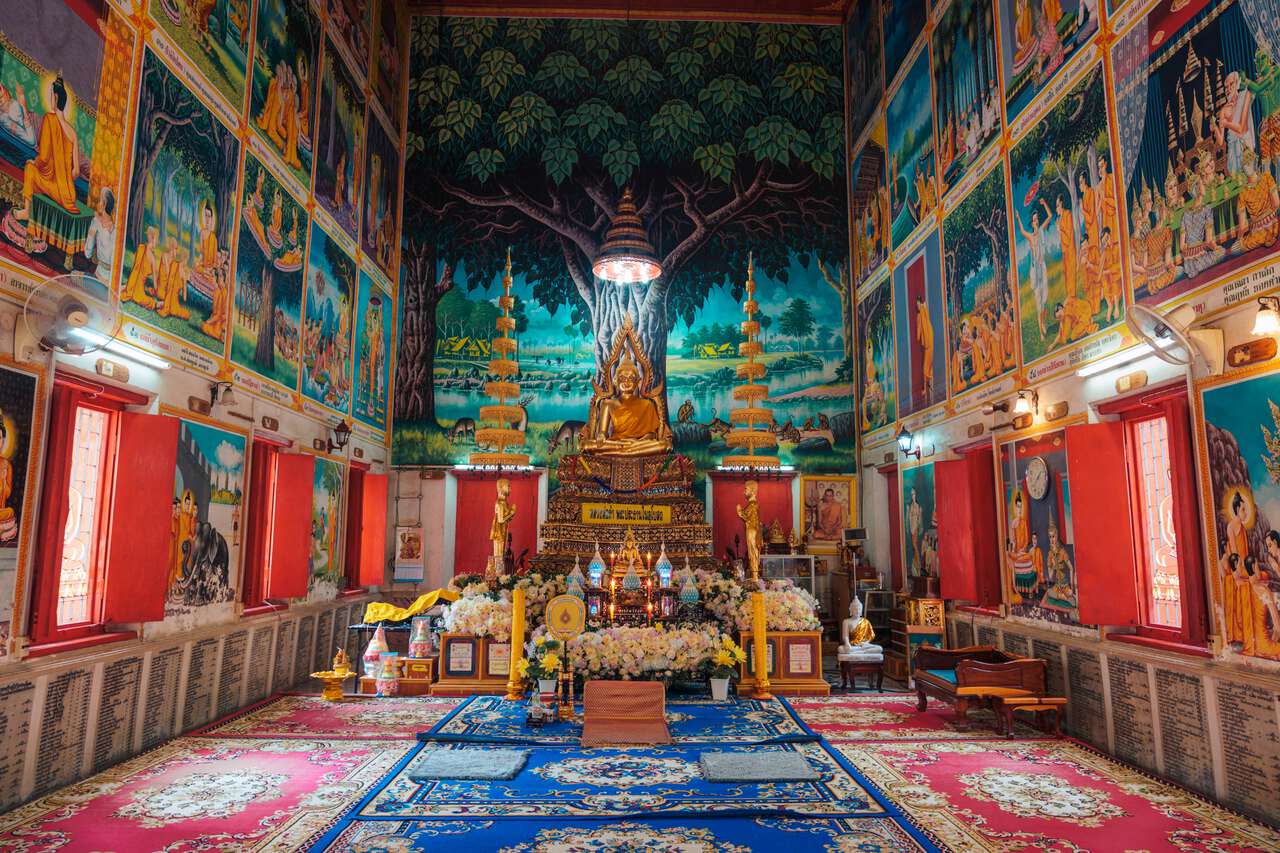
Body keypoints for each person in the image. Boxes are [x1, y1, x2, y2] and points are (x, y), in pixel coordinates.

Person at [16, 74, 79, 219]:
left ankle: (26, 211)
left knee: (30, 169)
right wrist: (63, 177)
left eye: (51, 95)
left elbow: (43, 157)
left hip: (53, 188)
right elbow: (75, 172)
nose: (51, 98)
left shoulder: (49, 119)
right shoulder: (73, 133)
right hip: (69, 196)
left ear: (56, 98)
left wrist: (34, 162)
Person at [1016, 208, 1050, 339]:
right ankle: (1041, 331)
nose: (1036, 221)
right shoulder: (1031, 237)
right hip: (1035, 270)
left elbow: (1050, 216)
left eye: (1037, 219)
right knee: (1038, 301)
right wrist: (1018, 219)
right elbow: (1022, 231)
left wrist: (1044, 204)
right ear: (1032, 223)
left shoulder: (1041, 232)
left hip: (1043, 268)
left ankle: (1043, 322)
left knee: (1045, 299)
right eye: (1034, 220)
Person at [122, 226, 159, 310]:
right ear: (153, 239)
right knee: (151, 302)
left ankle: (127, 288)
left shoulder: (140, 248)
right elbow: (154, 280)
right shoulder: (151, 258)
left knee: (126, 289)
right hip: (138, 290)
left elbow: (134, 266)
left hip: (131, 284)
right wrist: (155, 291)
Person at [82, 189, 114, 282]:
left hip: (100, 276)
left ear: (104, 204)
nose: (98, 203)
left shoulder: (96, 222)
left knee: (73, 276)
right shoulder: (117, 228)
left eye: (100, 200)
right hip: (112, 279)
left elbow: (87, 253)